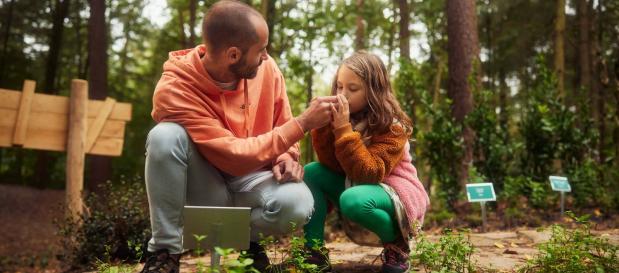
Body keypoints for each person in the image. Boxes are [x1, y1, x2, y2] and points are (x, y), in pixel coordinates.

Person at [140, 1, 337, 272]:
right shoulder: (175, 88)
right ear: (233, 55)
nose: (266, 57)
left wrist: (287, 157)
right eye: (261, 50)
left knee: (298, 203)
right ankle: (164, 252)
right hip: (204, 186)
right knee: (165, 136)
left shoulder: (267, 70)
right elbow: (235, 156)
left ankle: (249, 242)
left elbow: (283, 125)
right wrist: (304, 123)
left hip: (254, 182)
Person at [302, 51, 430, 273]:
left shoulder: (393, 126)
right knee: (312, 172)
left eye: (353, 89)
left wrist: (342, 129)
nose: (343, 94)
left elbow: (370, 172)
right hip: (358, 184)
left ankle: (397, 246)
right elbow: (331, 164)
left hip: (393, 190)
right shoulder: (345, 116)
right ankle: (313, 252)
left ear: (373, 91)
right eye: (339, 86)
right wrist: (322, 126)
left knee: (352, 200)